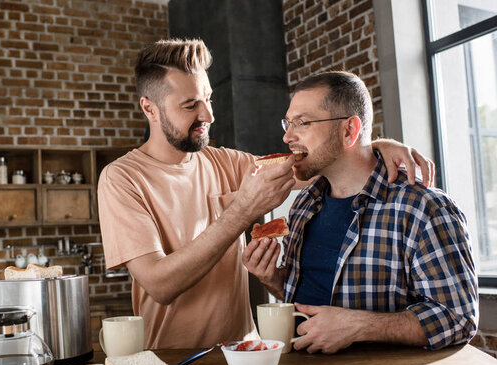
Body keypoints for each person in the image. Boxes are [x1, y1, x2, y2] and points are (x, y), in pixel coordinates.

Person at [98, 39, 434, 349]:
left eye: (208, 99)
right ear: (150, 109)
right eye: (190, 105)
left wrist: (374, 144)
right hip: (172, 361)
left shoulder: (224, 162)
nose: (209, 116)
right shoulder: (122, 179)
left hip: (246, 352)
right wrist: (243, 211)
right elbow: (160, 285)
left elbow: (314, 158)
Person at [244, 71, 478, 353]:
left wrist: (359, 326)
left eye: (302, 123)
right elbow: (310, 306)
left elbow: (458, 318)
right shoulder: (304, 204)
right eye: (288, 123)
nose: (287, 136)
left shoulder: (424, 208)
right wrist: (273, 279)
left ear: (348, 131)